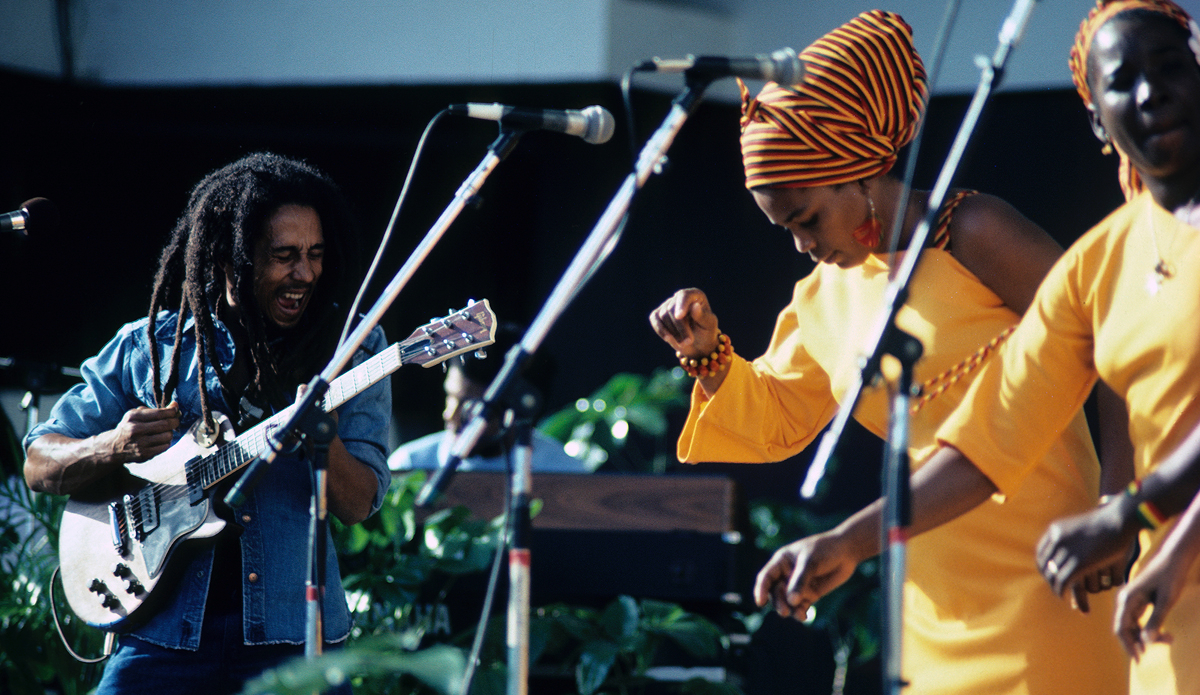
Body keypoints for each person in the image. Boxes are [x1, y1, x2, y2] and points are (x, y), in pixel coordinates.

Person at [649, 10, 1129, 694]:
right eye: (782, 228)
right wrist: (711, 358)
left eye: (806, 218)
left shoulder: (974, 233)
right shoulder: (822, 296)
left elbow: (1114, 345)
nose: (800, 244)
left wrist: (1116, 503)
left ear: (859, 172)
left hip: (1057, 568)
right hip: (933, 595)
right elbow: (779, 416)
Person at [762, 2, 1200, 693]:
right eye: (1122, 81)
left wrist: (1128, 511)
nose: (1150, 95)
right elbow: (997, 433)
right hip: (1157, 591)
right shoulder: (1106, 261)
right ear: (1096, 119)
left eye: (1173, 68)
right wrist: (849, 540)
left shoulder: (983, 233)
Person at [23, 152, 392, 695]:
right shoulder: (151, 346)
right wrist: (111, 446)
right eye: (284, 256)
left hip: (294, 643)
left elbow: (360, 503)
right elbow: (38, 461)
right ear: (229, 259)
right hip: (160, 639)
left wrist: (321, 438)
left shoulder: (350, 352)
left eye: (315, 254)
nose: (306, 273)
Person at [389, 322, 588, 474]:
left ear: (514, 411)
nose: (450, 414)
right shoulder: (409, 465)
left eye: (470, 406)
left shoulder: (566, 472)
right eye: (451, 397)